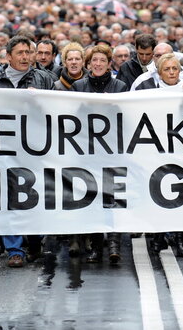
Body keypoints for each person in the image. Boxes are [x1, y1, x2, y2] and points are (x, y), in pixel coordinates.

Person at [0, 36, 55, 267]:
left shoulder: (44, 79)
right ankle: (14, 249)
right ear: (9, 56)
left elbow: (56, 111)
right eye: (20, 53)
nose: (25, 57)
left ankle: (34, 240)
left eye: (28, 52)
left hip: (35, 149)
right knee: (8, 198)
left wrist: (40, 100)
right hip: (4, 148)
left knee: (34, 196)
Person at [71, 45, 127, 264]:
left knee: (112, 197)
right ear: (88, 63)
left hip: (112, 151)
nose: (98, 64)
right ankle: (95, 246)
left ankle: (114, 245)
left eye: (102, 60)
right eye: (94, 60)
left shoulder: (119, 86)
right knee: (92, 198)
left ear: (109, 64)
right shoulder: (79, 86)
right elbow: (71, 116)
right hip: (87, 152)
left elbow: (125, 115)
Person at [135, 53, 183, 258]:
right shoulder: (147, 89)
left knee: (180, 192)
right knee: (158, 192)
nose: (171, 73)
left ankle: (179, 238)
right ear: (159, 73)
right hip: (155, 149)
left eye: (174, 69)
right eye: (167, 69)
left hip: (182, 149)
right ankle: (158, 236)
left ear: (179, 71)